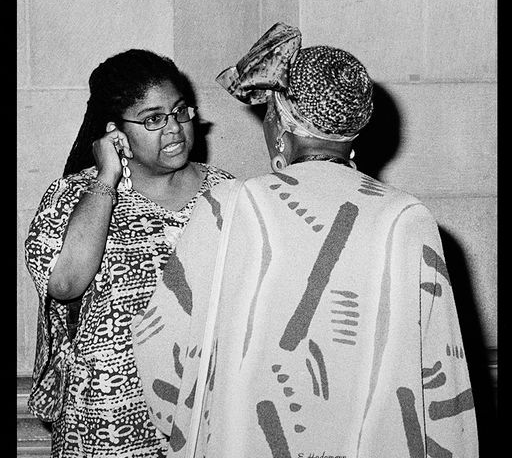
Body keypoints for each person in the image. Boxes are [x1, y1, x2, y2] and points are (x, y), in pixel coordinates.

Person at [132, 24, 478, 457]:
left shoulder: (228, 205)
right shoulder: (407, 219)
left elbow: (157, 343)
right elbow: (444, 376)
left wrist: (195, 428)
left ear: (280, 124)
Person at [24, 48, 233, 458]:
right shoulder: (72, 197)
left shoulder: (229, 195)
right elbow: (64, 284)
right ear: (114, 132)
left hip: (201, 416)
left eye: (179, 112)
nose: (174, 129)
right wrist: (107, 178)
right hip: (105, 424)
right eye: (153, 119)